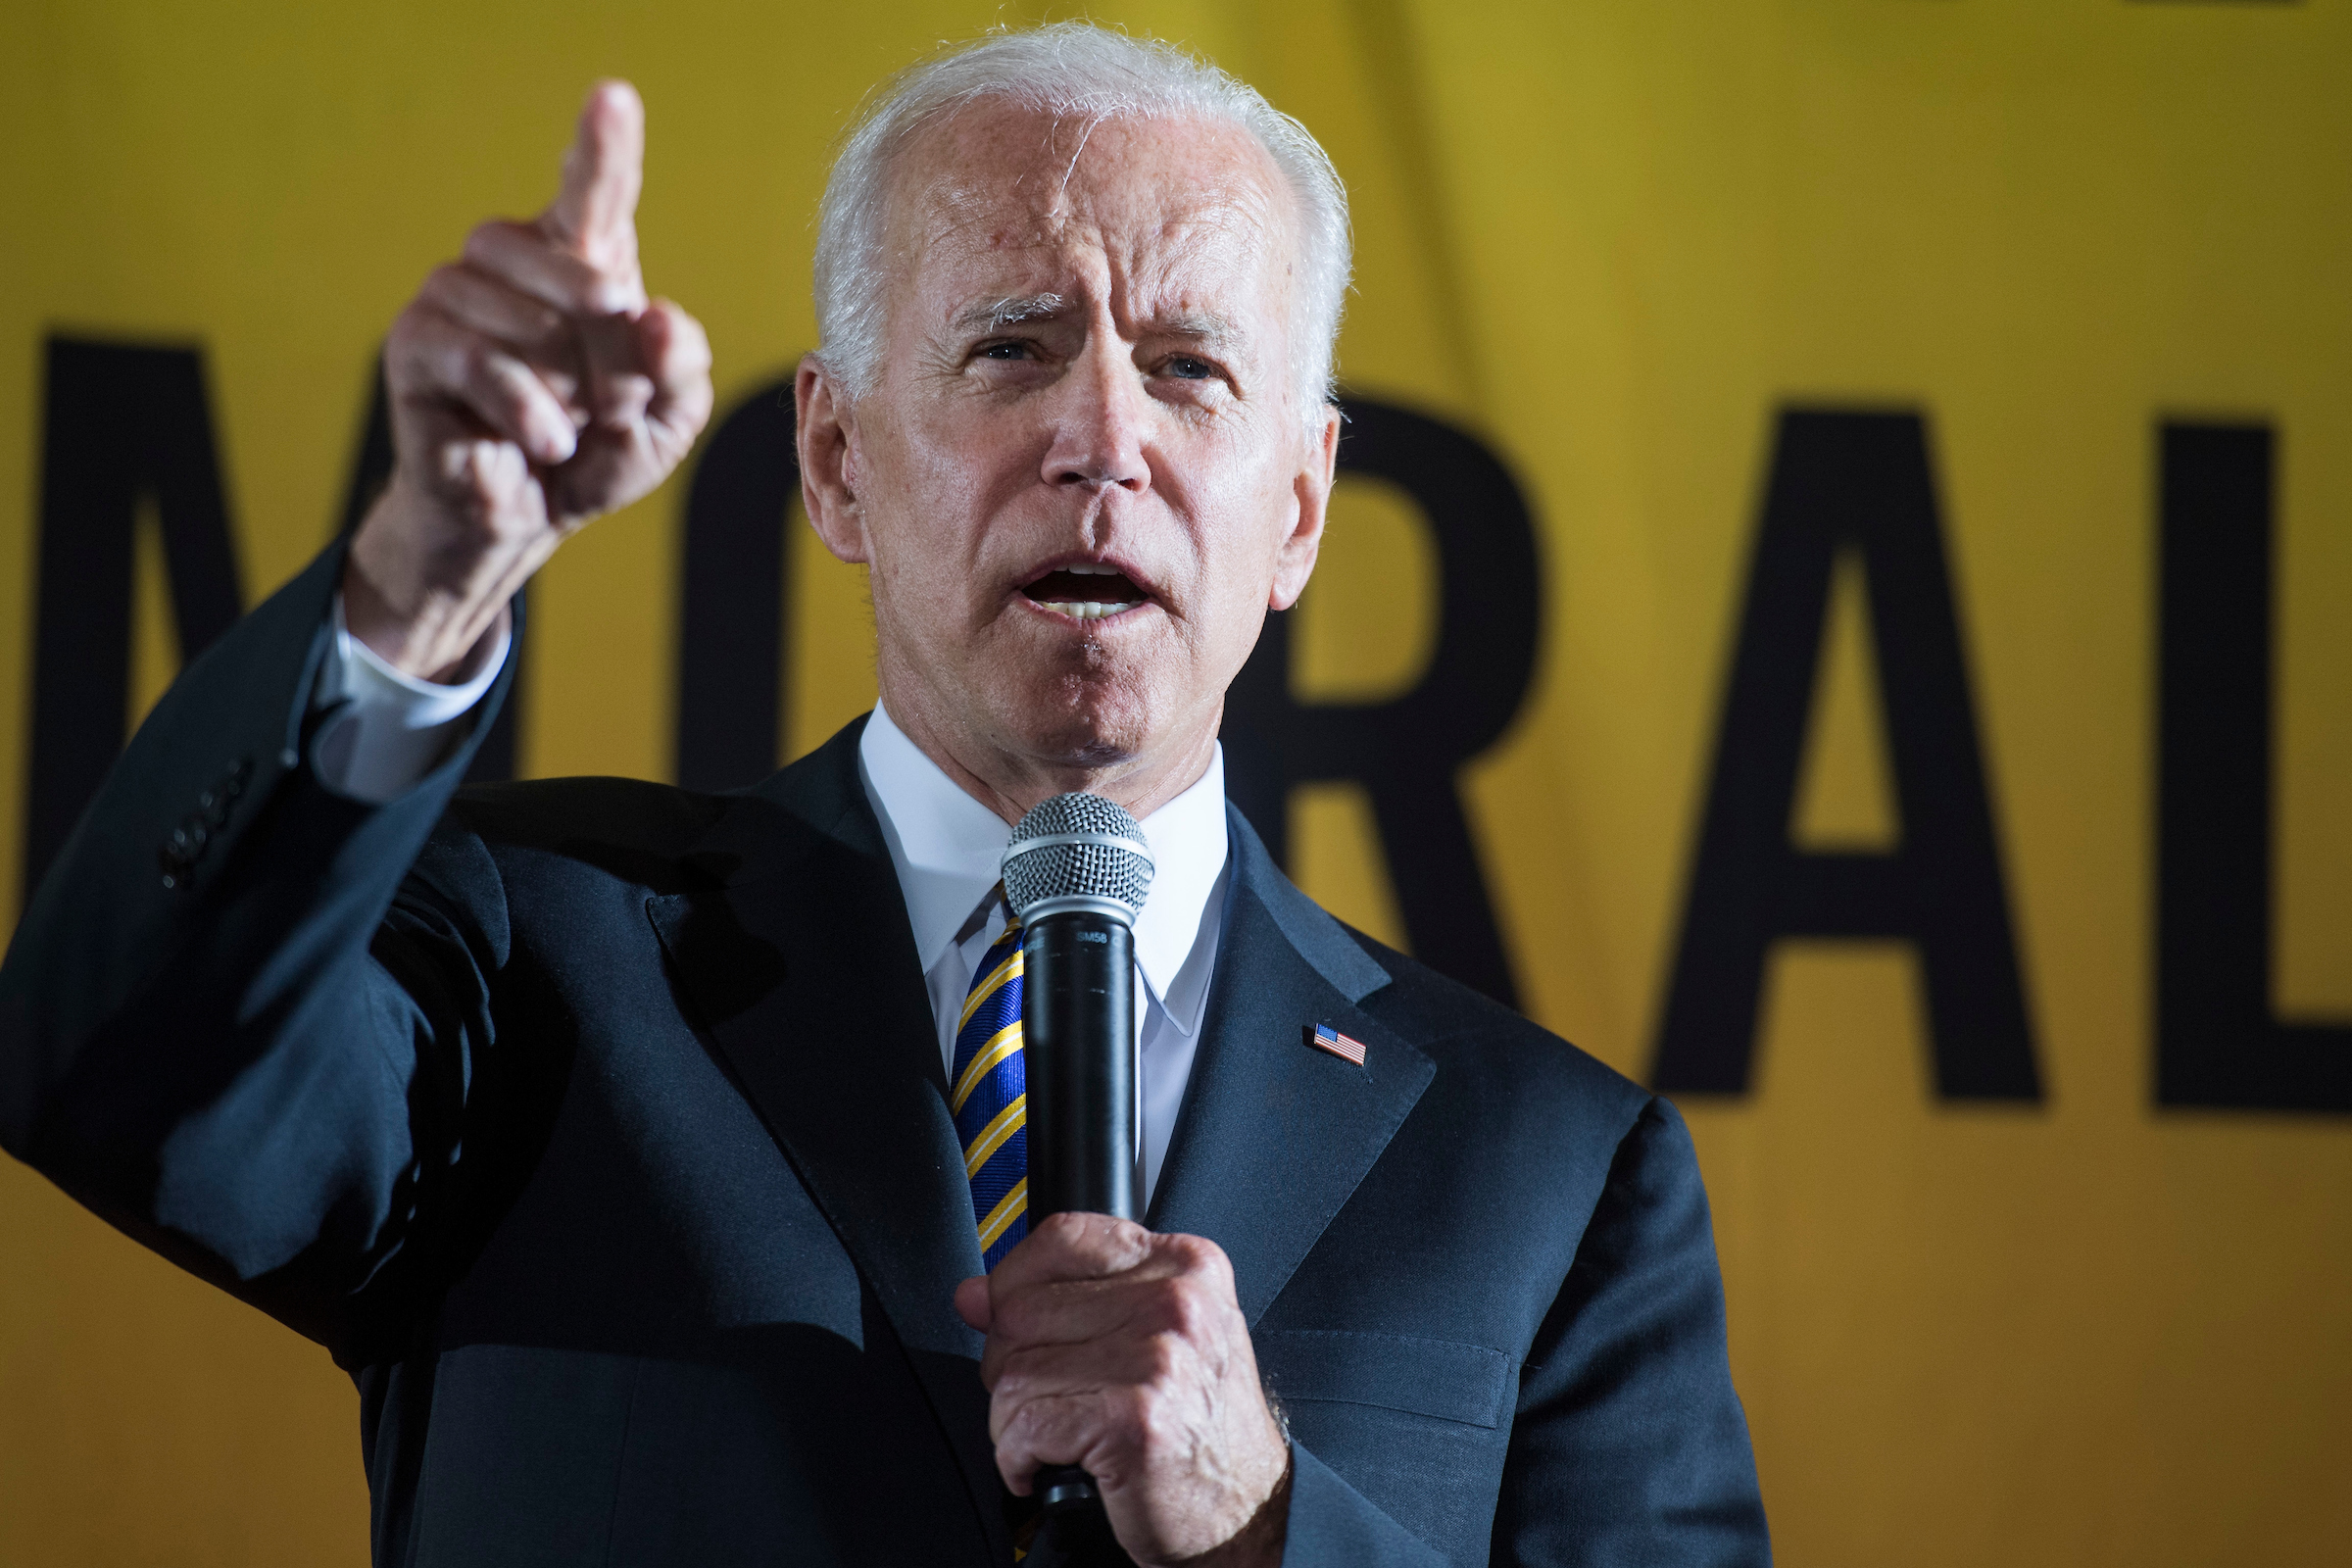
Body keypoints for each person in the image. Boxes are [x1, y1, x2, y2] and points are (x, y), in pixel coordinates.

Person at [0, 24, 1768, 1568]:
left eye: (1189, 367)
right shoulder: (532, 958)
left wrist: (1266, 1528)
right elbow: (111, 1073)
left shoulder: (1549, 1172)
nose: (1103, 436)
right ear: (837, 461)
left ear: (1299, 508)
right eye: (1009, 346)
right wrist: (418, 579)